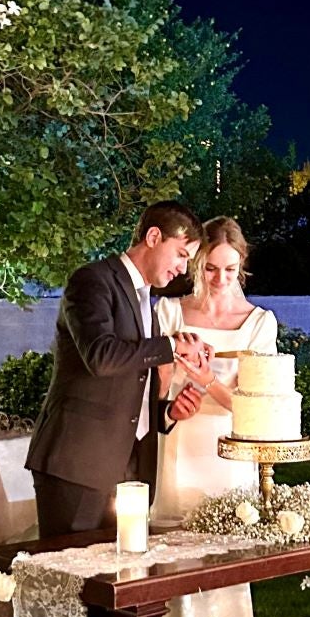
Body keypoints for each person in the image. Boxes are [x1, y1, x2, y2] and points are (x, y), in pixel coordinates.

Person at [152, 216, 279, 617]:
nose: (220, 276)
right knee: (169, 564)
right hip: (177, 440)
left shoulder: (258, 323)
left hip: (226, 453)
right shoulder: (167, 312)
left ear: (241, 266)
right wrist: (174, 394)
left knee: (222, 568)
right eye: (210, 267)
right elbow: (154, 386)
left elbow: (252, 404)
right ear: (197, 264)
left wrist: (204, 377)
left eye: (230, 268)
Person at [26, 202, 212, 538]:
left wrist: (167, 412)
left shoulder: (148, 305)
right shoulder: (91, 281)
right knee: (69, 583)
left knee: (125, 583)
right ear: (154, 237)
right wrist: (169, 347)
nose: (183, 269)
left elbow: (132, 388)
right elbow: (101, 357)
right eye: (181, 254)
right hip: (79, 466)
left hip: (132, 470)